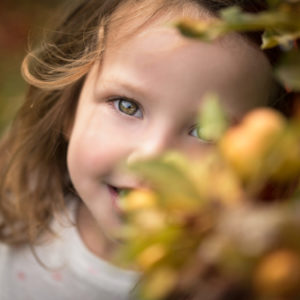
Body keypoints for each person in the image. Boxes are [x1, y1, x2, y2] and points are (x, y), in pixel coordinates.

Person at [0, 0, 287, 299]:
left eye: (205, 132)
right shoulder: (10, 199)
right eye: (128, 106)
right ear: (69, 106)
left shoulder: (245, 284)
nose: (151, 157)